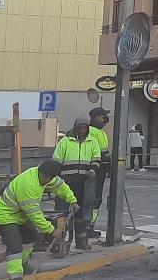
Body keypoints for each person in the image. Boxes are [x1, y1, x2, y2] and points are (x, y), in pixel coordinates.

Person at [0, 159, 78, 279]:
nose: (48, 181)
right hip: (4, 216)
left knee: (30, 238)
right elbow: (35, 215)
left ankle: (24, 264)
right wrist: (52, 230)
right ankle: (15, 276)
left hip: (19, 215)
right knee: (15, 247)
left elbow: (60, 186)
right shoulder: (29, 186)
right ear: (43, 174)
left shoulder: (46, 176)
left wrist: (72, 200)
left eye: (51, 178)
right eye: (46, 178)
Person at [52, 116, 102, 250]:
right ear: (75, 128)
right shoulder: (65, 142)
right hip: (65, 183)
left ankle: (82, 242)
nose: (82, 130)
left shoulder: (93, 142)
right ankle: (59, 243)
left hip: (84, 184)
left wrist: (92, 170)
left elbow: (96, 159)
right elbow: (56, 161)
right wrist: (56, 179)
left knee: (82, 214)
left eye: (85, 128)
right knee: (61, 214)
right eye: (80, 127)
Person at [86, 106, 111, 238]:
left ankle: (90, 226)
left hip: (101, 170)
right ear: (95, 118)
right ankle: (87, 226)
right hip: (95, 170)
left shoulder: (101, 132)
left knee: (96, 199)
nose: (105, 119)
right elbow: (97, 152)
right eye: (103, 116)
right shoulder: (91, 131)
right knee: (92, 198)